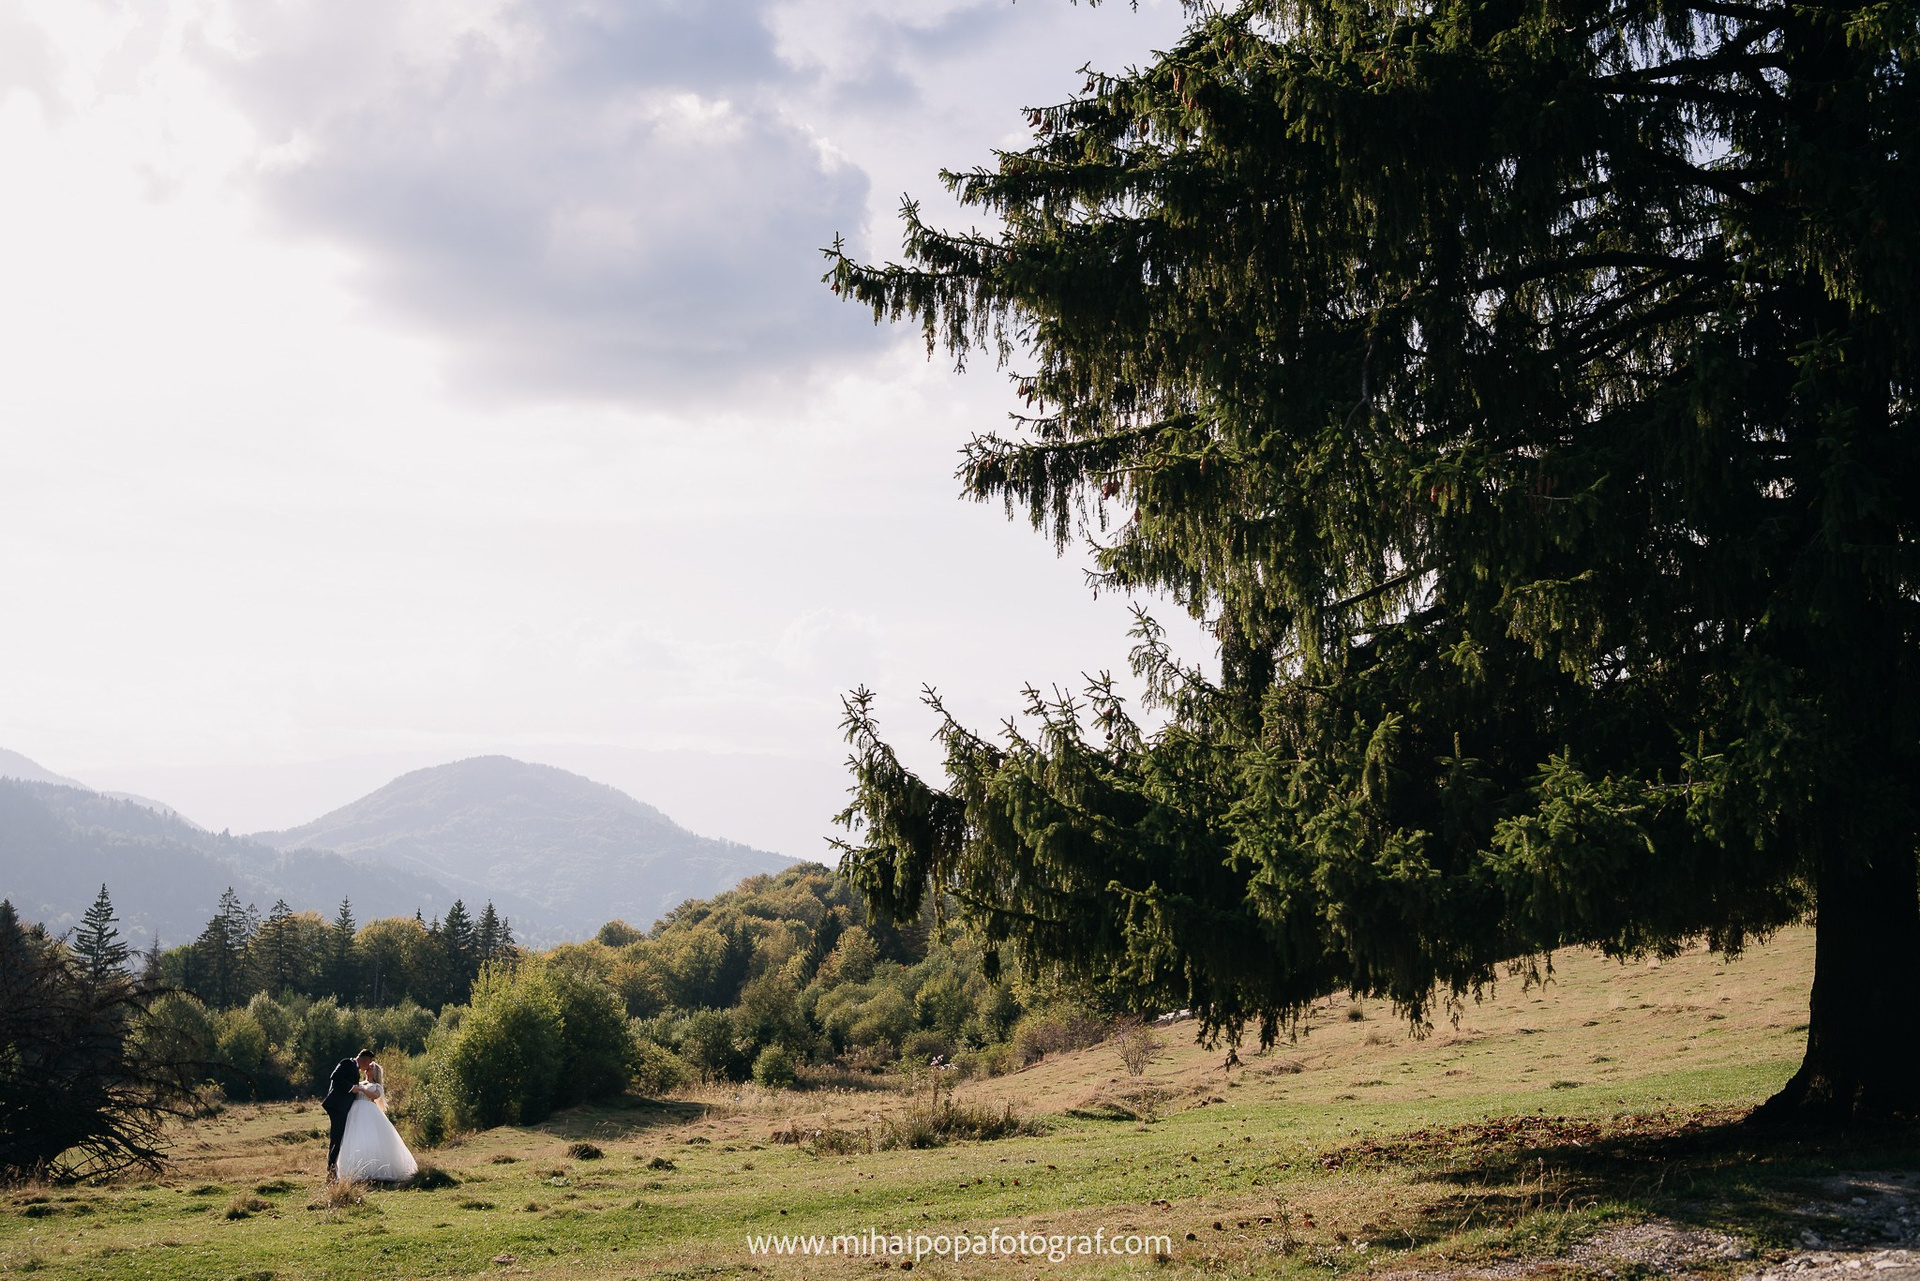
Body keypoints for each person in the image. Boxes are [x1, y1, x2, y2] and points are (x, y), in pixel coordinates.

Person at [334, 1055, 418, 1183]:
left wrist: (362, 1090)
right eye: (368, 1066)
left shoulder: (377, 1086)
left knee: (370, 1138)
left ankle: (375, 1170)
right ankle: (354, 1171)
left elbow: (375, 1096)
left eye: (371, 1067)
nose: (368, 1068)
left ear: (375, 1071)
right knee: (355, 1139)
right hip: (355, 1112)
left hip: (368, 1111)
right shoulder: (359, 1083)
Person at [321, 1050, 373, 1180]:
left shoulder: (354, 1068)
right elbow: (335, 1077)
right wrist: (351, 1087)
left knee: (339, 1138)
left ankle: (333, 1170)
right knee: (337, 1138)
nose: (368, 1066)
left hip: (342, 1108)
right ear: (365, 1060)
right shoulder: (347, 1063)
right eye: (369, 1063)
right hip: (337, 1106)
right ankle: (331, 1171)